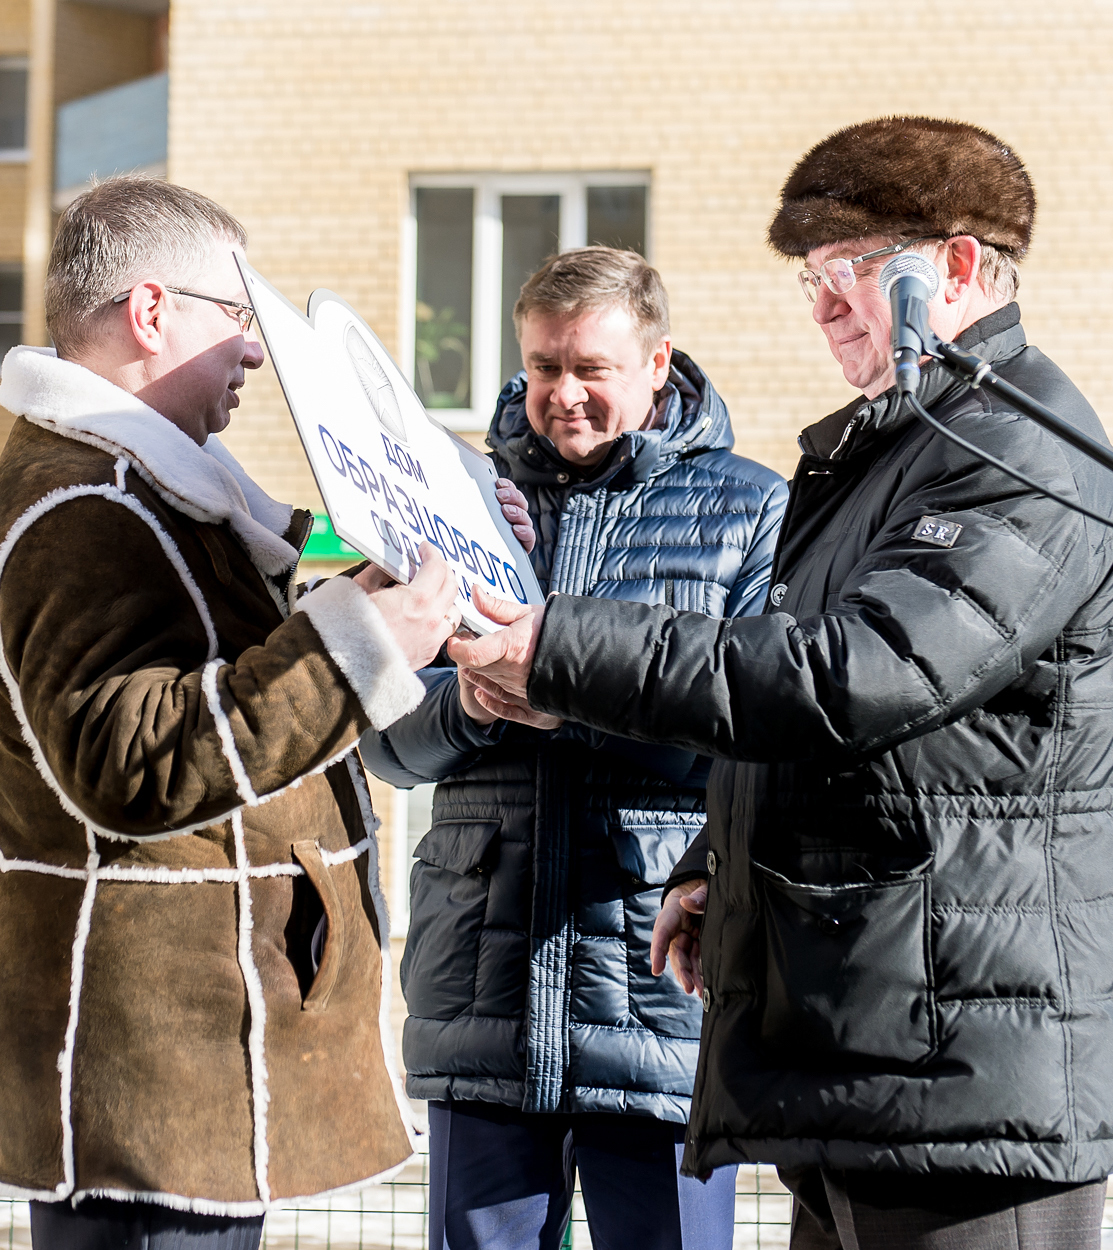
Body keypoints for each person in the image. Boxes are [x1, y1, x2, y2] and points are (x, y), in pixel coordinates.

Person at [448, 117, 1113, 1248]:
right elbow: (827, 725)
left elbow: (851, 677)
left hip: (973, 1073)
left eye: (851, 272)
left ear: (959, 267)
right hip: (872, 1045)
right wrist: (715, 867)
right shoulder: (900, 448)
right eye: (810, 279)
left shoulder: (1015, 454)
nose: (825, 303)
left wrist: (554, 643)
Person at [0, 175, 465, 1250]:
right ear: (151, 311)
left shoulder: (150, 489)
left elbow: (279, 556)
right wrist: (368, 641)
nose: (252, 351)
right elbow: (130, 763)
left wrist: (439, 531)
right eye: (236, 317)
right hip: (148, 1067)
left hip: (185, 1061)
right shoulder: (80, 508)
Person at [360, 246, 786, 1250]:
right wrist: (474, 705)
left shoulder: (747, 510)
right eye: (542, 366)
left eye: (590, 368)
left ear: (655, 362)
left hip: (657, 998)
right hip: (480, 996)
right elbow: (383, 743)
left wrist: (568, 699)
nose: (562, 395)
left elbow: (761, 744)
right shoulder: (454, 503)